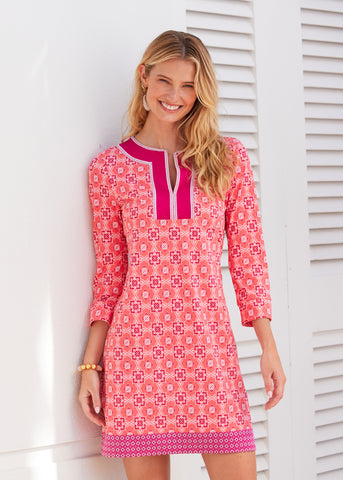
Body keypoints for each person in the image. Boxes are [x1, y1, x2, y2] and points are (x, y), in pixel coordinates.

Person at [78, 30, 286, 480]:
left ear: (202, 90)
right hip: (137, 352)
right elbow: (110, 274)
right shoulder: (109, 169)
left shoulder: (227, 159)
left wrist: (268, 348)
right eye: (165, 81)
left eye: (189, 85)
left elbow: (249, 256)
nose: (175, 95)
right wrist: (90, 366)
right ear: (144, 78)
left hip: (209, 348)